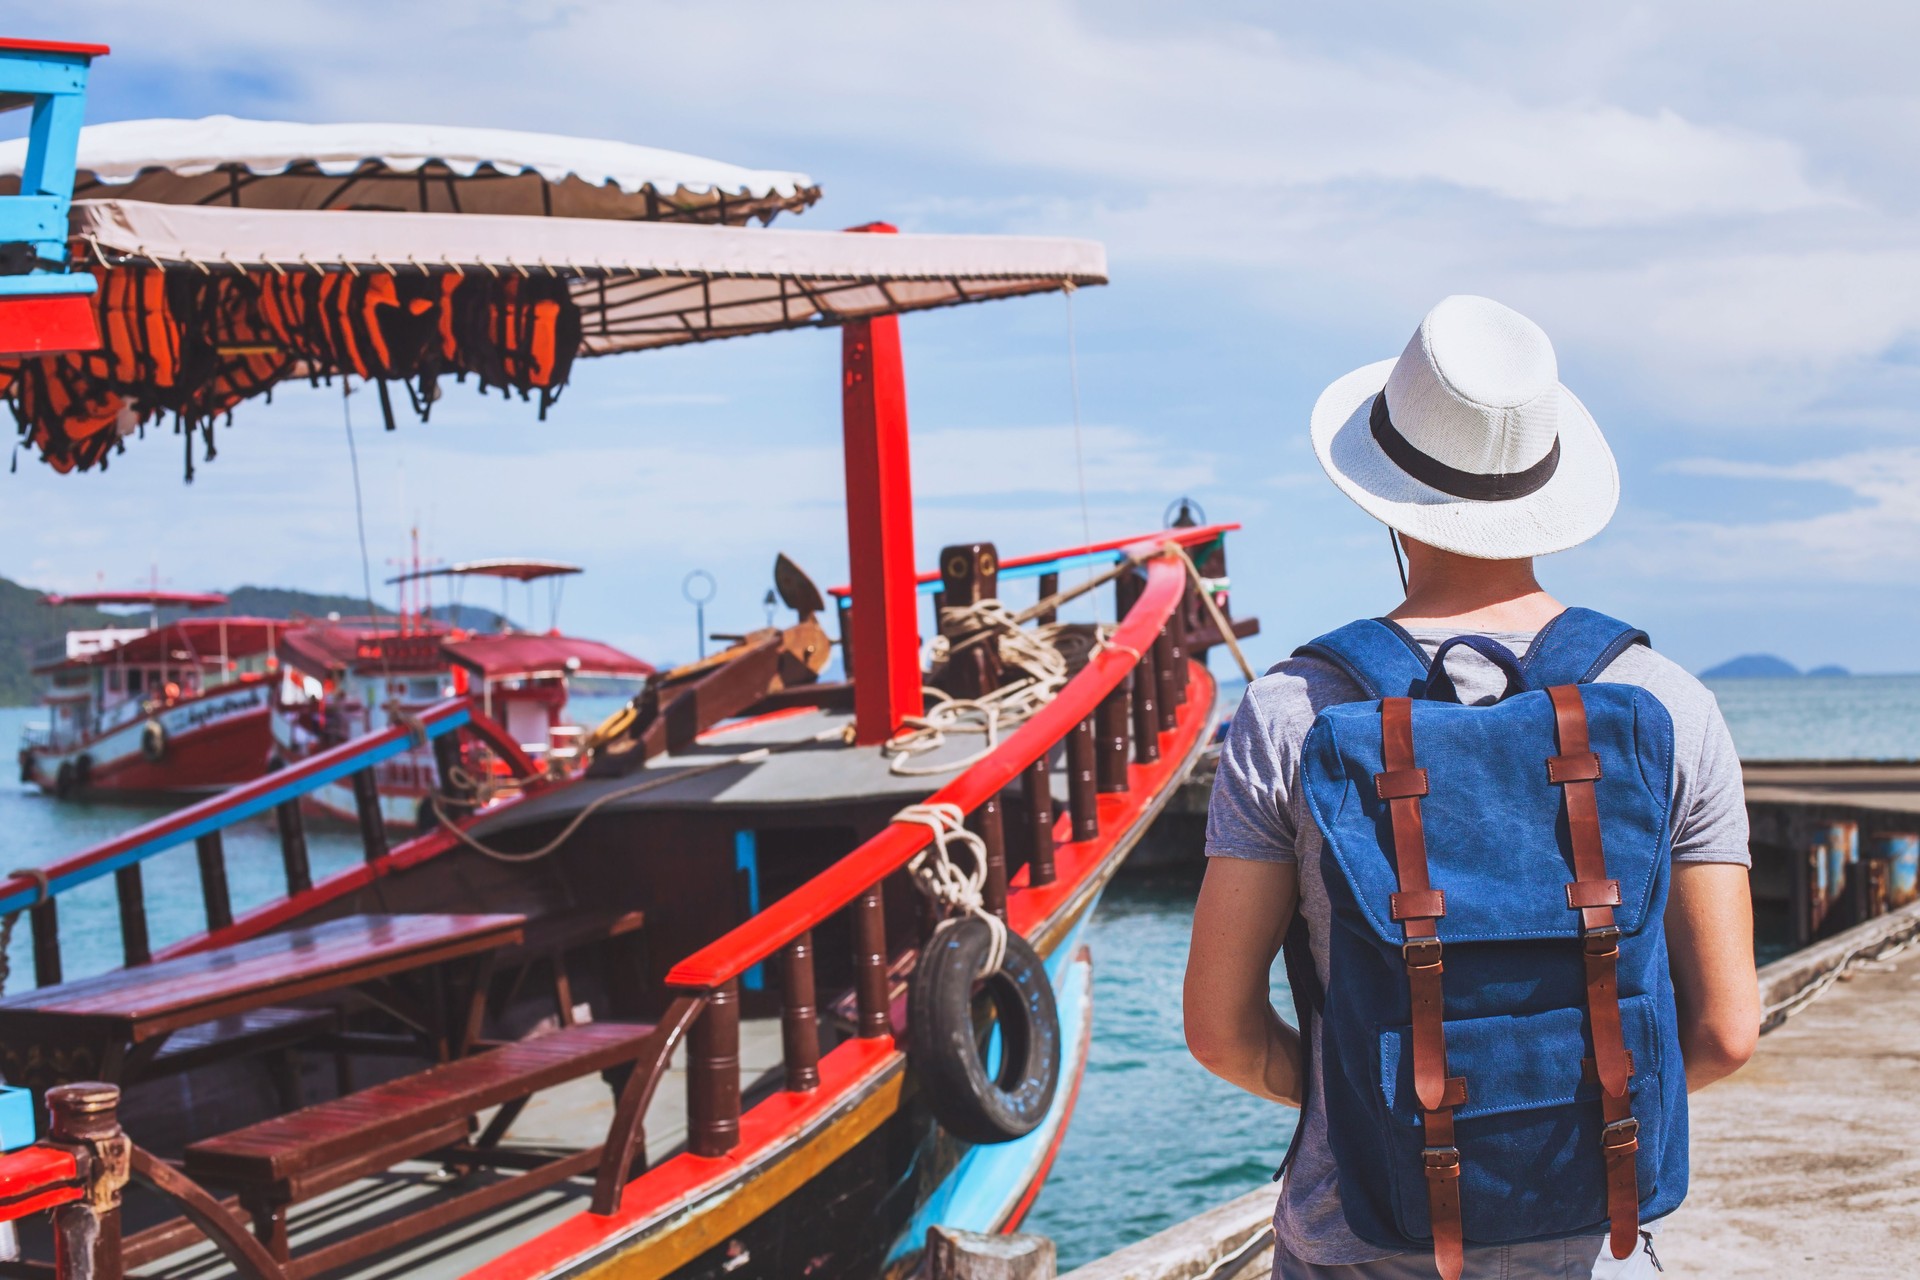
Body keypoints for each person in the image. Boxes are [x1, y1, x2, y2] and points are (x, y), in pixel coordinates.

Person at [1184, 295, 1759, 1279]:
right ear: (1549, 485)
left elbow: (1221, 1031)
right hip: (1595, 1242)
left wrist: (1370, 1100)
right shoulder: (1668, 703)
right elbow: (1723, 1029)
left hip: (1354, 1243)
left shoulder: (1292, 708)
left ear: (1384, 497)